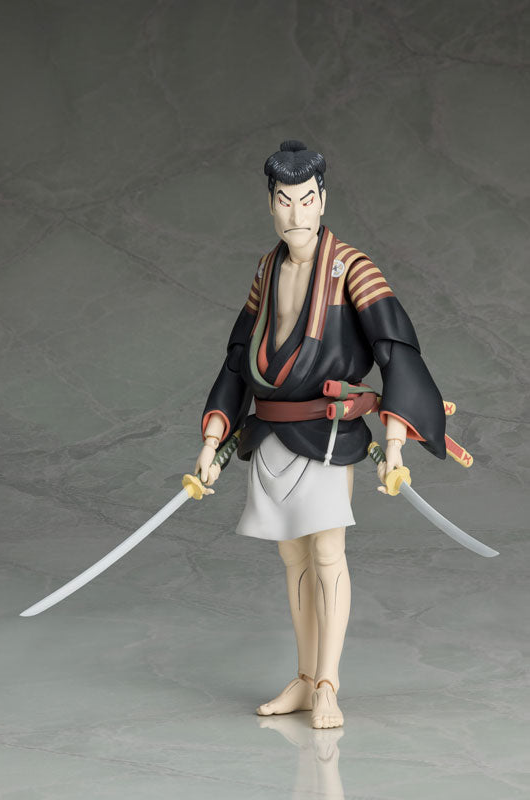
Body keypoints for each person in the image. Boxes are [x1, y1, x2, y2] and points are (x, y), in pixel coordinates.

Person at [195, 141, 446, 729]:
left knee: (328, 552)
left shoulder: (352, 267)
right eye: (284, 201)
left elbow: (396, 349)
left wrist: (395, 443)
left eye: (306, 200)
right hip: (270, 432)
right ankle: (305, 679)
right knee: (293, 556)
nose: (296, 213)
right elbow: (238, 359)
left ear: (323, 200)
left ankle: (329, 683)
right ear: (271, 205)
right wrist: (211, 442)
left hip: (329, 432)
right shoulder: (266, 270)